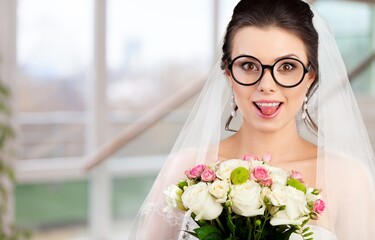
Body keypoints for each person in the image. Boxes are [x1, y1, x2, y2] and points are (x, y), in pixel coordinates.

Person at [129, 0, 375, 239]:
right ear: (228, 72)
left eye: (287, 67)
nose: (266, 85)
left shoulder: (347, 177)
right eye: (248, 65)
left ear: (310, 75)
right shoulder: (186, 167)